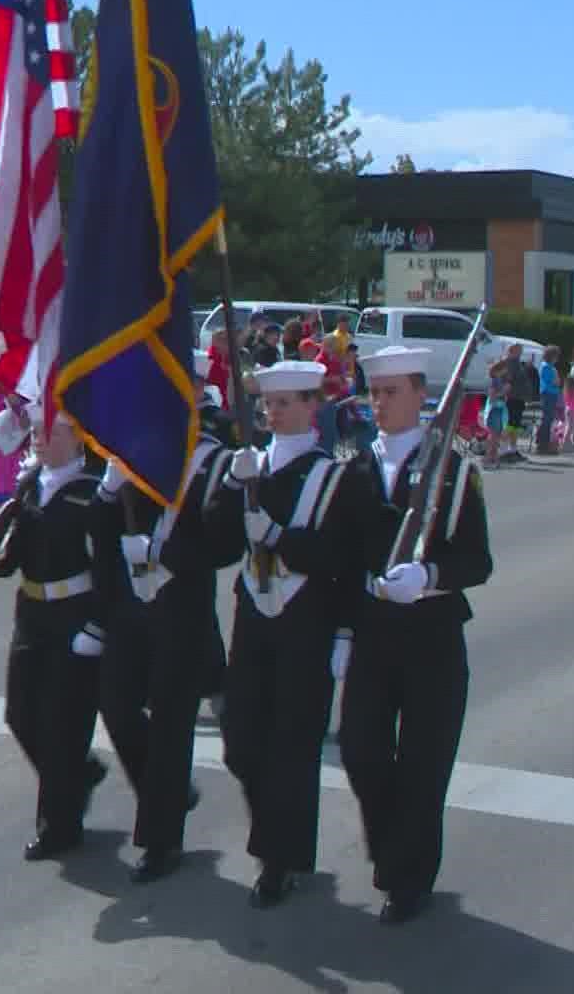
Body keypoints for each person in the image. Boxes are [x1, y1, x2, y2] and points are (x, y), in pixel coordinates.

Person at [335, 346, 493, 924]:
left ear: (421, 395)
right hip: (373, 638)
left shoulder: (453, 470)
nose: (379, 403)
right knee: (360, 751)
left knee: (424, 767)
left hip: (432, 640)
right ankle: (391, 850)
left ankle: (410, 880)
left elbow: (478, 561)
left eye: (392, 392)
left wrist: (430, 576)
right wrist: (342, 634)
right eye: (374, 393)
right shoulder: (354, 469)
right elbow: (344, 560)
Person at [97, 351, 243, 883]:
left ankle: (161, 841)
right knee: (114, 703)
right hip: (132, 606)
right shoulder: (137, 450)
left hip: (182, 610)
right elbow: (100, 525)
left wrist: (169, 555)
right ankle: (170, 793)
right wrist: (108, 492)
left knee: (172, 726)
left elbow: (226, 546)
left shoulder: (215, 461)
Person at [215, 359, 354, 908]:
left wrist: (278, 535)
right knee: (242, 744)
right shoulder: (251, 467)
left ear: (312, 405)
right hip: (254, 618)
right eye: (268, 404)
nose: (273, 413)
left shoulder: (334, 474)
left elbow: (340, 555)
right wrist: (230, 487)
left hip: (307, 621)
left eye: (285, 403)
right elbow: (222, 543)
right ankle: (280, 840)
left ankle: (280, 859)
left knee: (294, 749)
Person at [0, 407, 115, 861]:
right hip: (32, 613)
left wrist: (97, 625)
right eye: (38, 430)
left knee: (65, 725)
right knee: (22, 715)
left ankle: (60, 827)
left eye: (51, 431)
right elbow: (12, 559)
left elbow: (108, 568)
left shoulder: (92, 494)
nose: (39, 438)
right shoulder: (30, 488)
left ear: (76, 439)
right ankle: (76, 776)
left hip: (74, 613)